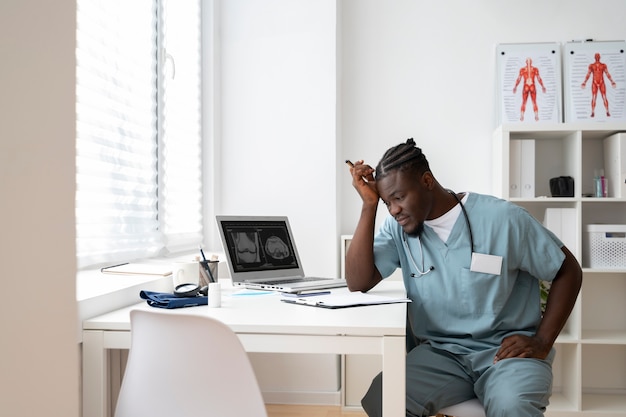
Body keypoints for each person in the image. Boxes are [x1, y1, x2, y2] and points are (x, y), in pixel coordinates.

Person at [345, 138, 582, 417]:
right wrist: (369, 206)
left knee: (512, 407)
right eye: (387, 202)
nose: (394, 209)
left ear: (427, 180)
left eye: (399, 197)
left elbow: (567, 270)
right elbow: (358, 281)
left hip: (505, 354)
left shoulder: (502, 219)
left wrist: (543, 340)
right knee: (383, 397)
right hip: (440, 355)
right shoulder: (400, 228)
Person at [581, 53, 617, 118]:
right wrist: (584, 82)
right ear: (594, 57)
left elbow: (607, 73)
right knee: (594, 97)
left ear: (600, 57)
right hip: (594, 82)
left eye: (598, 56)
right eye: (596, 56)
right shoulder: (591, 65)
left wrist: (612, 81)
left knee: (604, 97)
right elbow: (588, 74)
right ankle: (592, 112)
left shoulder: (603, 65)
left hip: (601, 82)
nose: (597, 57)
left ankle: (607, 111)